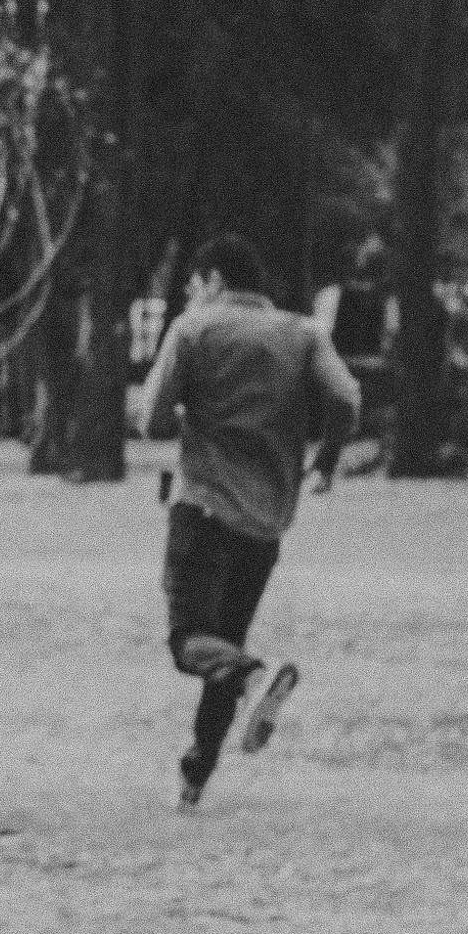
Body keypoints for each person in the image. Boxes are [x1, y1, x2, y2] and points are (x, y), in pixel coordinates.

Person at [138, 233, 361, 810]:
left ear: (214, 280)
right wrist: (327, 458)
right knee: (226, 643)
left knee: (190, 642)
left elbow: (150, 418)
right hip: (266, 521)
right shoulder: (305, 333)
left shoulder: (193, 329)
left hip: (204, 507)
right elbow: (347, 399)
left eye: (193, 286)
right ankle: (194, 777)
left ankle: (255, 677)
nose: (191, 297)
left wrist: (190, 411)